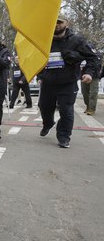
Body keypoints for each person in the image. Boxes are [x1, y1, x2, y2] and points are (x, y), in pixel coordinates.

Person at [38, 15, 99, 148]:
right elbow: (36, 58)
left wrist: (88, 72)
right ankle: (48, 123)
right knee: (44, 108)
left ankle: (64, 136)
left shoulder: (77, 40)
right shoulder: (44, 40)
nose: (56, 25)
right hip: (48, 83)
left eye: (59, 22)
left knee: (66, 111)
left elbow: (93, 58)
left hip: (68, 82)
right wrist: (38, 75)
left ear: (67, 23)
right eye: (53, 22)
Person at [80, 47, 102, 115]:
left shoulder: (98, 55)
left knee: (93, 93)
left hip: (95, 76)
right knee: (84, 92)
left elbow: (98, 65)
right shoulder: (83, 54)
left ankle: (92, 109)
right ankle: (88, 106)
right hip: (84, 75)